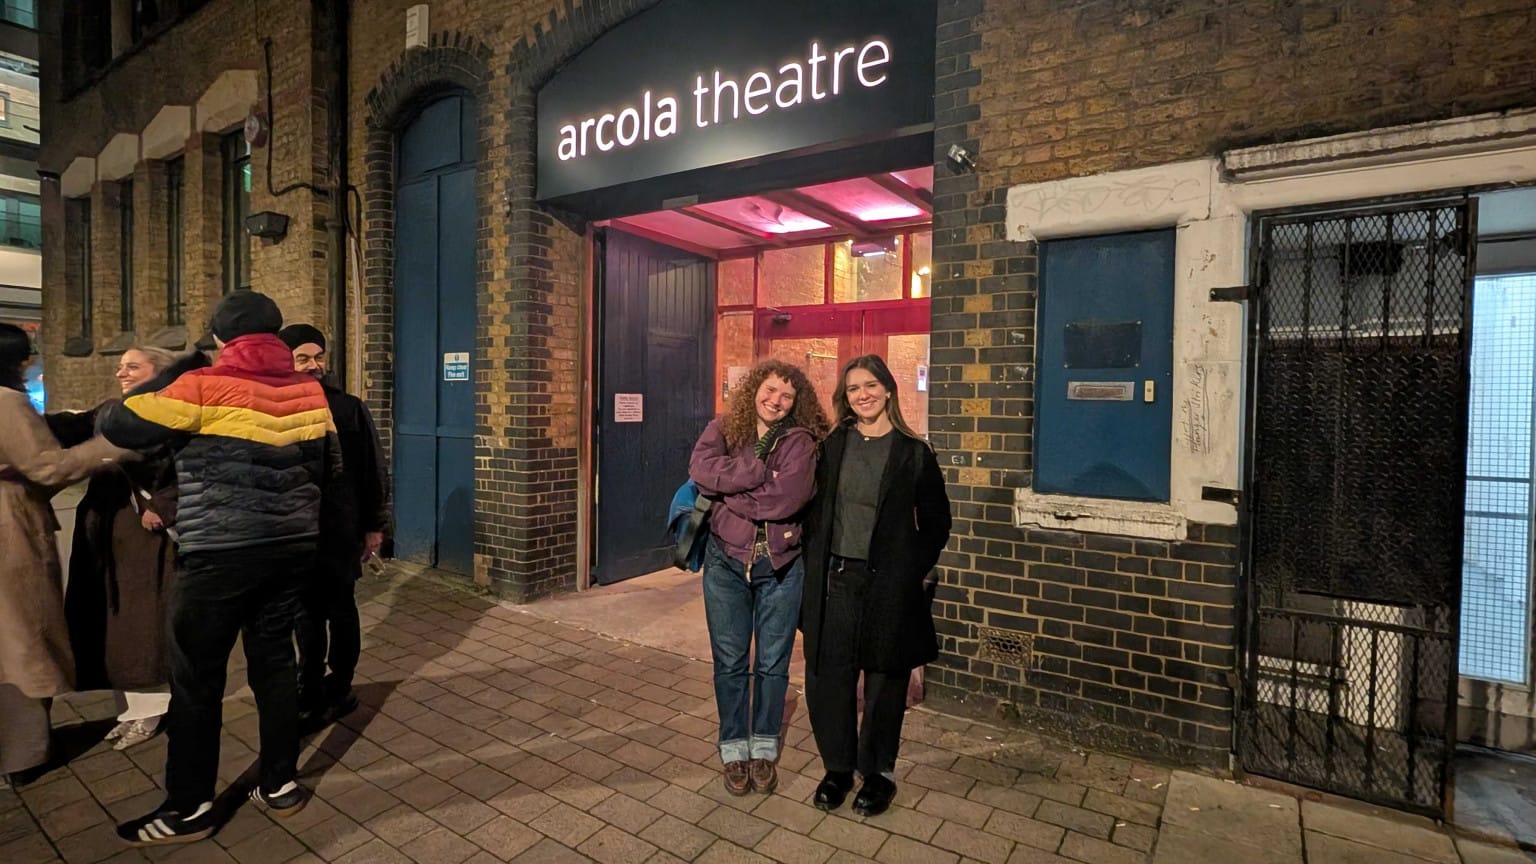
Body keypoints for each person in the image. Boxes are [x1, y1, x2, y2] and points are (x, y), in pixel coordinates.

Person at [99, 292, 339, 846]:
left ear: (223, 339)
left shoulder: (201, 386)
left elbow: (121, 422)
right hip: (291, 545)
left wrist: (182, 369)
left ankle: (190, 807)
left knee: (197, 679)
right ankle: (278, 783)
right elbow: (328, 465)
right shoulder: (309, 389)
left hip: (220, 554)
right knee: (275, 664)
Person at [800, 354, 952, 817]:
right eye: (852, 389)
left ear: (888, 389)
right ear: (844, 398)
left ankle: (878, 773)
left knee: (886, 682)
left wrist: (910, 569)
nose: (862, 394)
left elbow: (937, 522)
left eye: (870, 385)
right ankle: (838, 769)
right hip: (835, 580)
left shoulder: (913, 451)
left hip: (887, 584)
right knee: (830, 678)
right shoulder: (831, 446)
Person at [688, 359, 829, 796]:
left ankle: (764, 747)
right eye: (770, 390)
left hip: (780, 567)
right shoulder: (725, 427)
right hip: (725, 563)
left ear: (796, 402)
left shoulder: (800, 441)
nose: (776, 401)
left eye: (787, 396)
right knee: (730, 663)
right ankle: (734, 749)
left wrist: (727, 495)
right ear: (754, 389)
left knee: (772, 664)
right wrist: (754, 474)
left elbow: (787, 500)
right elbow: (700, 470)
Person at [0, 323, 131, 788]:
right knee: (23, 637)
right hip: (10, 528)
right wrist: (111, 447)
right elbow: (48, 466)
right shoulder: (6, 400)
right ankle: (21, 753)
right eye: (27, 356)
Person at [58, 346, 182, 751]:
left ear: (158, 373)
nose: (121, 372)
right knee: (107, 620)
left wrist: (162, 505)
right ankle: (128, 708)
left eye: (133, 366)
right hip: (105, 525)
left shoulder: (172, 410)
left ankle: (151, 710)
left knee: (140, 623)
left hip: (141, 531)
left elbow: (188, 466)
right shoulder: (112, 409)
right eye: (121, 366)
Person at [278, 324, 388, 729]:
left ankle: (340, 686)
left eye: (318, 356)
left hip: (341, 530)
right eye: (303, 358)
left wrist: (374, 526)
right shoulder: (277, 406)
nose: (314, 365)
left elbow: (372, 470)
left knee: (342, 610)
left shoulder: (349, 407)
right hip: (298, 532)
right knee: (306, 616)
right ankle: (308, 688)